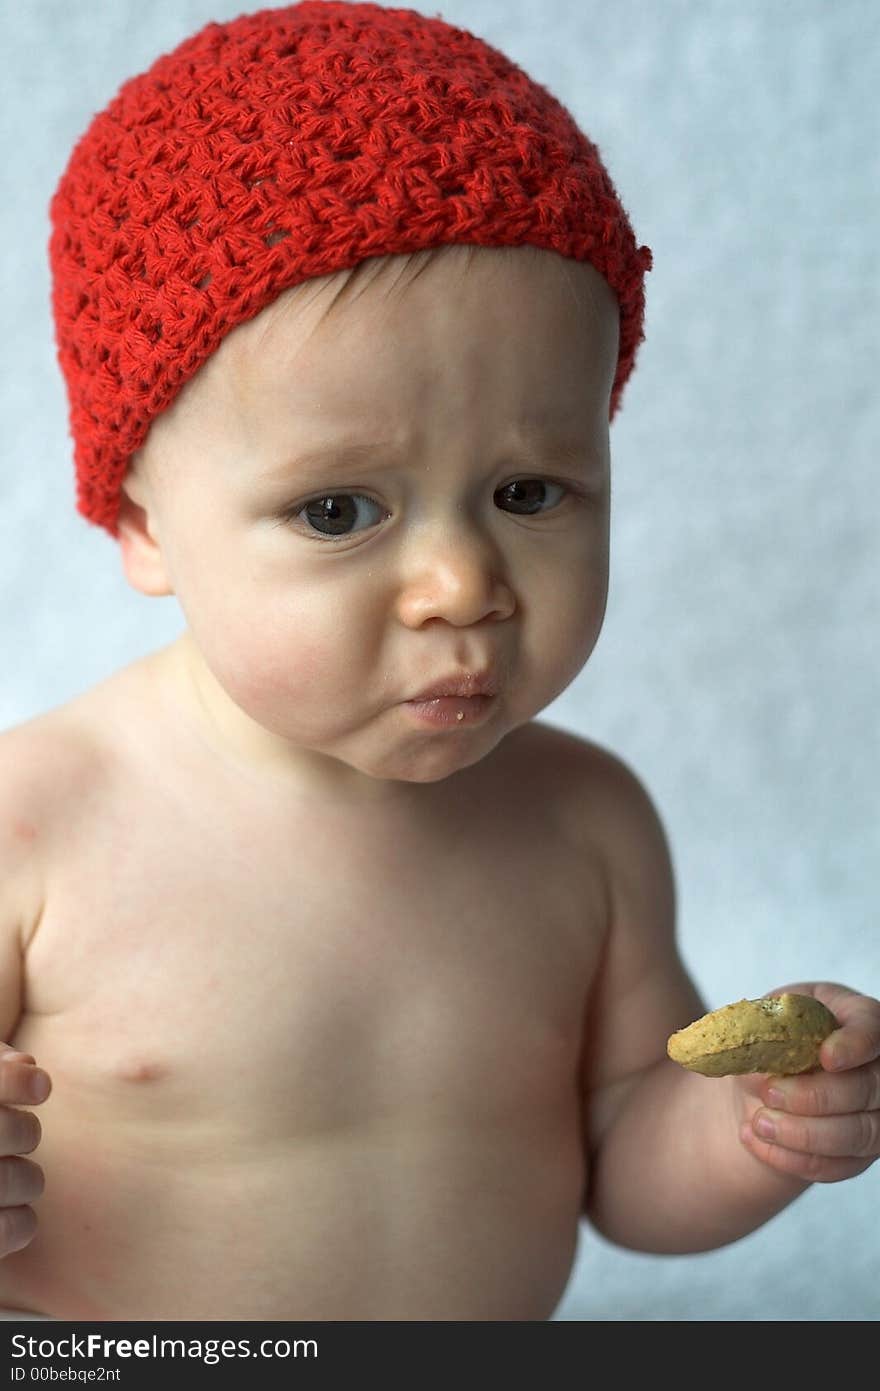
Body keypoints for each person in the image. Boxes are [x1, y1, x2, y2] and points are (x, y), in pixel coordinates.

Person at [1, 0, 877, 1322]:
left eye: (531, 491)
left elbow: (623, 1168)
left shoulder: (584, 828)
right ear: (140, 521)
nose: (465, 586)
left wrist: (751, 1126)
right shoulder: (39, 827)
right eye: (339, 510)